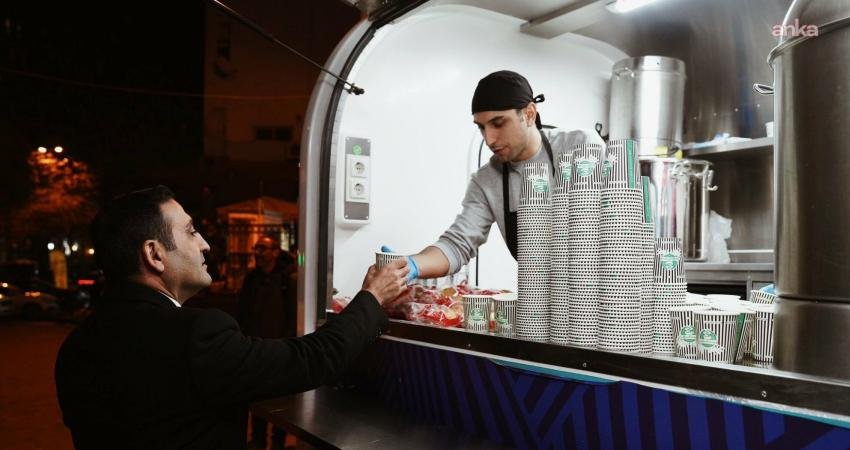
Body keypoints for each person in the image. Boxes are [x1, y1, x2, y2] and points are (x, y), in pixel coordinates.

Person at [55, 186, 408, 450]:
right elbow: (311, 360)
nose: (205, 244)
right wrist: (373, 297)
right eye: (191, 231)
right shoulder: (193, 335)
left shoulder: (77, 345)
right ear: (154, 254)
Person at [392, 70, 605, 280]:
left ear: (529, 114)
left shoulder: (580, 147)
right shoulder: (486, 180)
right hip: (536, 297)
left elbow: (605, 227)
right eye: (481, 127)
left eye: (498, 123)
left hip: (600, 292)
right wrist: (409, 266)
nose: (489, 139)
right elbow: (457, 243)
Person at [237, 235, 295, 450]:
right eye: (256, 248)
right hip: (254, 349)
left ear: (275, 252)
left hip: (279, 351)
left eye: (263, 248)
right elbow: (242, 311)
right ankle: (258, 442)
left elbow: (292, 316)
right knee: (257, 401)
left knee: (280, 403)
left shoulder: (286, 280)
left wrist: (287, 346)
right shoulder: (251, 279)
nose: (257, 253)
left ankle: (277, 444)